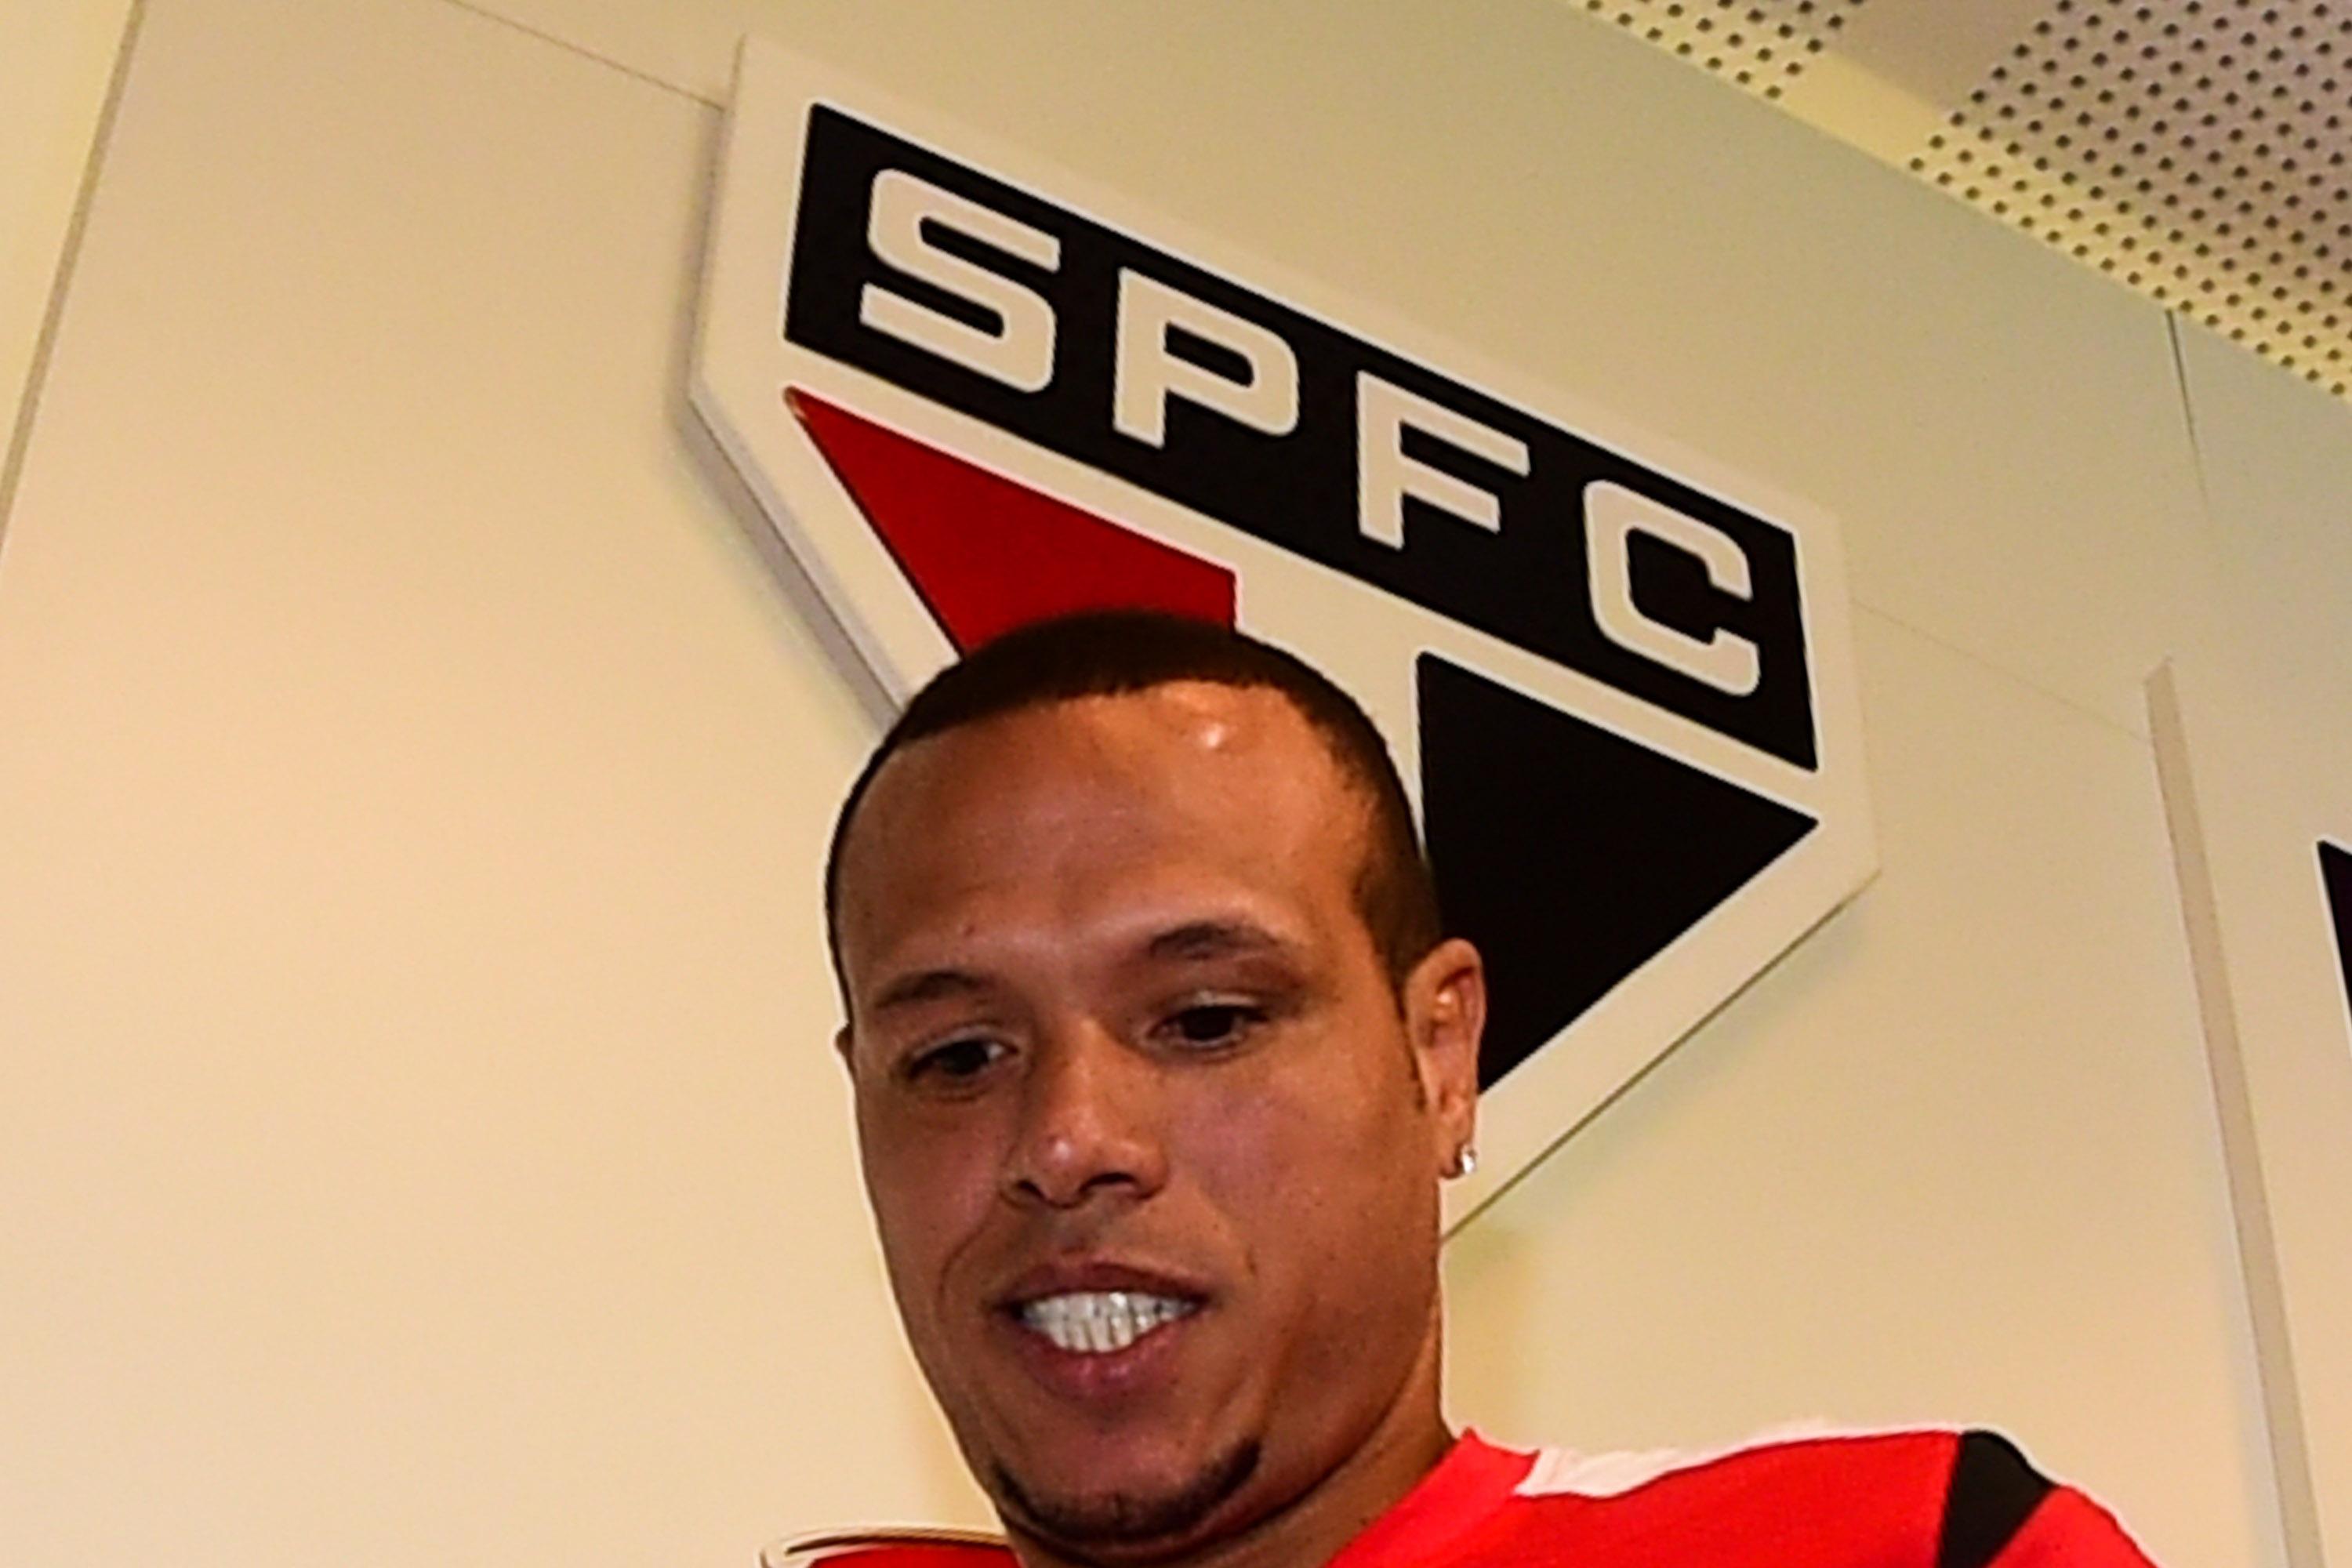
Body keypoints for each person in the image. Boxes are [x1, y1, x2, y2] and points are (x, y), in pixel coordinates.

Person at [793, 609, 2156, 1568]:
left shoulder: (1907, 1547)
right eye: (958, 1057)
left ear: (1440, 1058)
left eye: (1206, 1020)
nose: (1071, 1137)